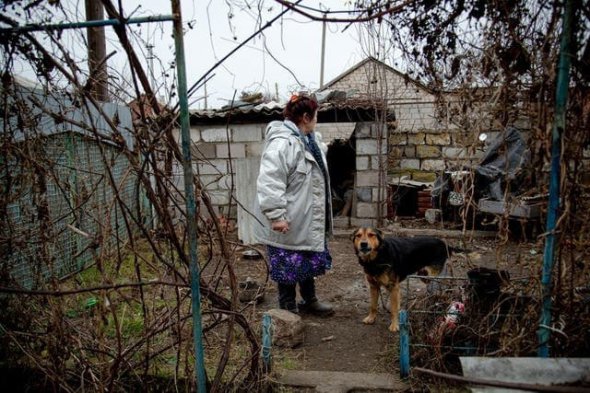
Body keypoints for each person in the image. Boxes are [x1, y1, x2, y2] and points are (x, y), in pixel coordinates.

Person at [253, 93, 334, 316]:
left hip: (305, 216)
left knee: (307, 257)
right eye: (316, 116)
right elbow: (270, 180)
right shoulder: (282, 143)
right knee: (288, 264)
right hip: (288, 218)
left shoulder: (308, 140)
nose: (317, 120)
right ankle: (287, 308)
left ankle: (310, 300)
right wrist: (276, 215)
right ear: (306, 117)